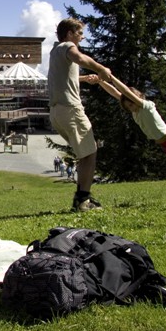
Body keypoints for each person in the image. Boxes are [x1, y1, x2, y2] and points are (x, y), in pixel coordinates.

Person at [47, 18, 112, 211]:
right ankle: (83, 200)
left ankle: (82, 197)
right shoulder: (68, 47)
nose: (82, 37)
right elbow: (81, 58)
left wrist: (85, 79)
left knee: (84, 153)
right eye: (79, 33)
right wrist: (101, 68)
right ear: (69, 34)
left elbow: (65, 78)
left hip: (56, 112)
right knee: (90, 152)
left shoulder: (55, 51)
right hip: (71, 109)